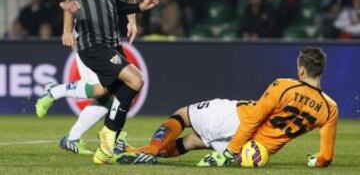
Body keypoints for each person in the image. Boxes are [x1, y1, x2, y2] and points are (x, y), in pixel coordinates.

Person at [36, 0, 159, 165]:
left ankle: (106, 145)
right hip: (94, 43)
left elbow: (116, 5)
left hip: (112, 42)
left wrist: (139, 8)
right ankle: (109, 137)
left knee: (116, 93)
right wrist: (63, 6)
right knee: (135, 80)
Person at [125, 47, 338, 168]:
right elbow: (326, 156)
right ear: (321, 71)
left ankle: (150, 150)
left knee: (182, 115)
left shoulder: (285, 86)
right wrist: (316, 162)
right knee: (193, 141)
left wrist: (229, 153)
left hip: (235, 120)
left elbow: (253, 118)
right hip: (254, 149)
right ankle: (149, 154)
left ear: (301, 70)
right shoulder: (330, 109)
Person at [59, 0, 144, 155]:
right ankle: (56, 94)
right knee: (107, 89)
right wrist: (67, 29)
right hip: (89, 33)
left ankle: (109, 137)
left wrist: (133, 20)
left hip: (110, 34)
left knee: (117, 89)